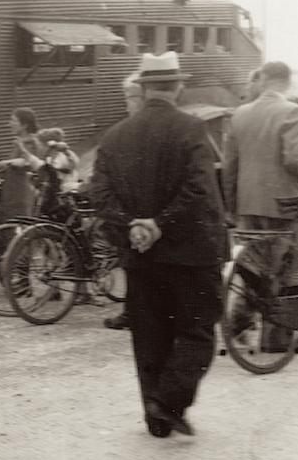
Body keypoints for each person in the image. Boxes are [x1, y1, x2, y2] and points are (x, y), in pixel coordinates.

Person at [90, 51, 225, 438]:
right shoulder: (191, 129)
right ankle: (168, 402)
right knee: (198, 330)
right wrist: (159, 223)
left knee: (149, 334)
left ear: (144, 88)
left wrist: (133, 224)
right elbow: (199, 188)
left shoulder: (115, 135)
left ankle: (156, 420)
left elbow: (99, 194)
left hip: (140, 253)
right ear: (178, 87)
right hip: (191, 254)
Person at [223, 62, 298, 345]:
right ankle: (276, 339)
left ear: (263, 80)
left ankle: (238, 324)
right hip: (283, 204)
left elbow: (230, 167)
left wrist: (232, 207)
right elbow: (296, 160)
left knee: (253, 267)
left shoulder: (240, 114)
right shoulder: (292, 111)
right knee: (288, 269)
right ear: (286, 82)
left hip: (248, 206)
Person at [103, 71, 143, 331]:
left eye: (129, 97)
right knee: (132, 265)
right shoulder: (126, 129)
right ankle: (132, 311)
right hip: (129, 210)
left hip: (141, 211)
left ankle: (136, 313)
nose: (126, 103)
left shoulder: (141, 129)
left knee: (138, 266)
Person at [0, 108, 44, 218]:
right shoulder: (19, 142)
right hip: (12, 191)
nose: (9, 124)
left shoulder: (31, 142)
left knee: (19, 224)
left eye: (13, 121)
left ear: (24, 125)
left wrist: (5, 163)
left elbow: (26, 162)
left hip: (22, 194)